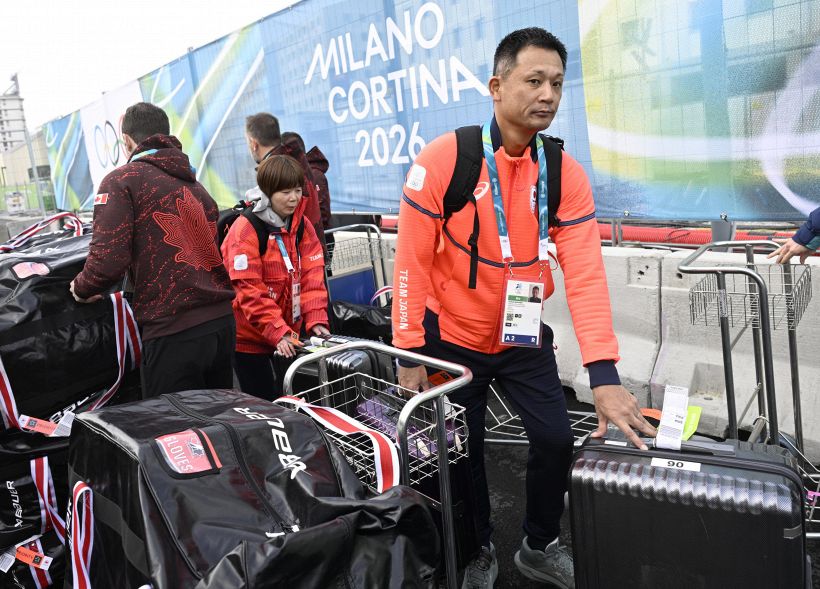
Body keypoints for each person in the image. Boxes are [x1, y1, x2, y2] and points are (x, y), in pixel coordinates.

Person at [391, 28, 656, 589]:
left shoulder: (563, 174)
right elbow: (411, 263)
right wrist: (409, 352)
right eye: (533, 80)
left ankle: (538, 544)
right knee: (461, 453)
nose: (548, 95)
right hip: (451, 337)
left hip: (522, 335)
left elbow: (584, 275)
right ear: (496, 86)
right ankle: (478, 546)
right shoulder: (446, 160)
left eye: (557, 83)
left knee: (557, 439)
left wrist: (602, 374)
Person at [70, 102, 235, 398]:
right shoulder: (196, 187)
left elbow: (108, 259)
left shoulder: (121, 181)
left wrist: (82, 288)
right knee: (218, 427)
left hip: (174, 327)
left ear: (127, 141)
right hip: (221, 324)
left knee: (175, 434)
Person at [221, 154, 330, 400]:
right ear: (268, 192)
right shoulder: (245, 229)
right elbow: (248, 289)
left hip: (289, 337)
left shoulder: (301, 225)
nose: (293, 198)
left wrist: (316, 321)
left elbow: (313, 278)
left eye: (297, 190)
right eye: (284, 192)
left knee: (294, 402)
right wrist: (277, 331)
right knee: (263, 406)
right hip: (249, 341)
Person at [245, 113, 326, 254]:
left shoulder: (277, 169)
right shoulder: (296, 160)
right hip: (310, 250)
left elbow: (275, 219)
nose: (293, 198)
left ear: (253, 144)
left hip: (297, 253)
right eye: (286, 192)